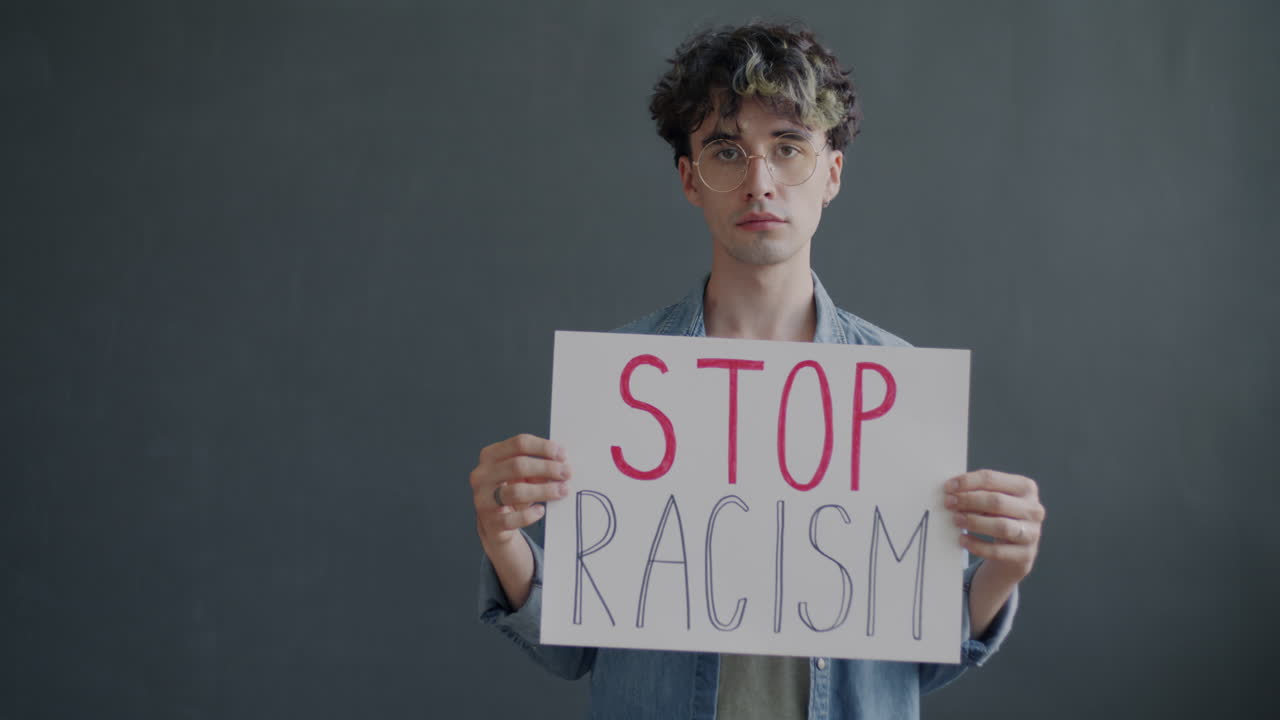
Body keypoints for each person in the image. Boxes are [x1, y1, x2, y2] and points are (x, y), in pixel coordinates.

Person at [470, 20, 1045, 720]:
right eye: (725, 151)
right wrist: (504, 540)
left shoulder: (896, 383)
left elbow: (920, 659)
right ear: (690, 179)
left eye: (788, 148)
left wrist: (1002, 571)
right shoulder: (624, 383)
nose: (759, 183)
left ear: (831, 172)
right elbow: (570, 650)